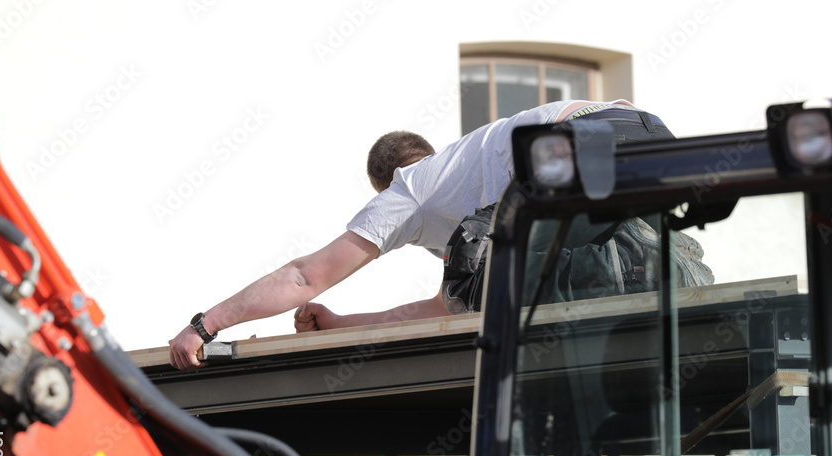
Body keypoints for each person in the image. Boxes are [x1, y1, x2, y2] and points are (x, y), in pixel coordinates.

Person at [168, 100, 675, 370]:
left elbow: (304, 276)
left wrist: (205, 324)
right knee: (482, 278)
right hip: (650, 136)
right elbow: (442, 307)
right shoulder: (468, 171)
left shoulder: (408, 191)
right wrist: (341, 323)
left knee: (485, 271)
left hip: (583, 144)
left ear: (384, 186)